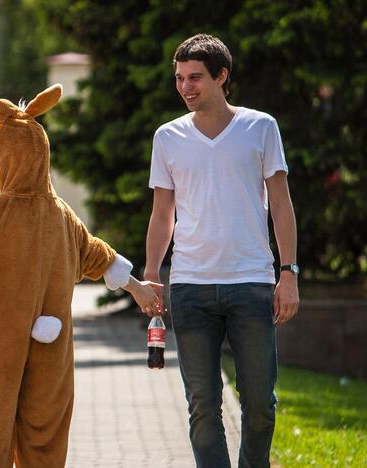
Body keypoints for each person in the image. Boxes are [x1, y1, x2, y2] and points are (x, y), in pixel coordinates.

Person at [144, 34, 299, 468]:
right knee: (202, 408)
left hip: (251, 283)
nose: (185, 87)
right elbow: (162, 214)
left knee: (261, 405)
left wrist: (289, 272)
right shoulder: (168, 137)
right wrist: (152, 274)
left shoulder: (261, 127)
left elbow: (281, 204)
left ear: (222, 76)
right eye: (179, 78)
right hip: (191, 286)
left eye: (195, 77)